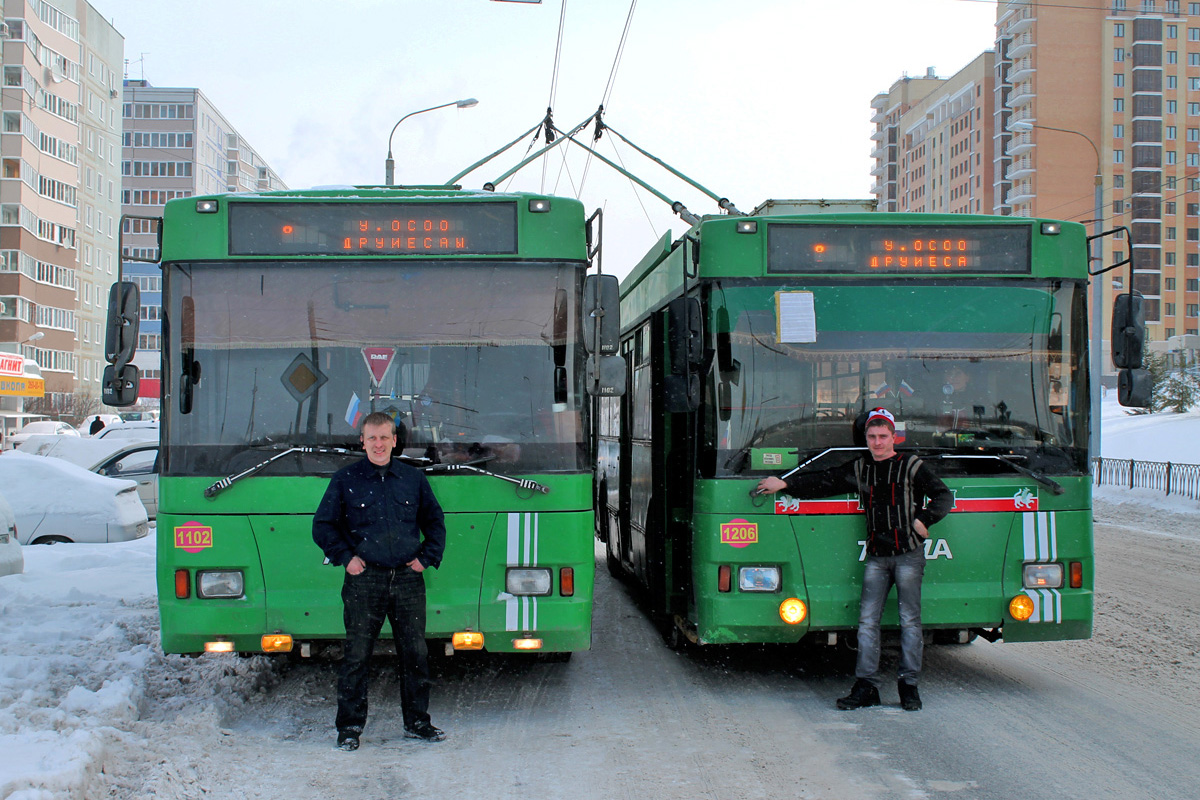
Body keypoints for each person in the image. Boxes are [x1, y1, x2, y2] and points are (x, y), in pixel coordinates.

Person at [756, 407, 953, 711]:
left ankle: (909, 687)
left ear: (893, 438)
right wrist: (784, 483)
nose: (877, 442)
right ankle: (866, 687)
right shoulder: (862, 468)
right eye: (872, 437)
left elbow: (943, 495)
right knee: (866, 623)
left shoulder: (911, 465)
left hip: (908, 555)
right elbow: (825, 481)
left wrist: (924, 520)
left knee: (910, 622)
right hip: (877, 555)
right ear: (867, 438)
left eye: (883, 437)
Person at [312, 411, 448, 751]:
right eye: (371, 438)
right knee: (356, 656)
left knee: (415, 654)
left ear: (395, 440)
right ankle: (349, 728)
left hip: (407, 581)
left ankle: (417, 722)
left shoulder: (412, 479)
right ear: (362, 440)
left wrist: (426, 558)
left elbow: (435, 522)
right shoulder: (346, 479)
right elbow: (323, 526)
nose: (378, 444)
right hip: (364, 581)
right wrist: (346, 558)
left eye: (384, 437)